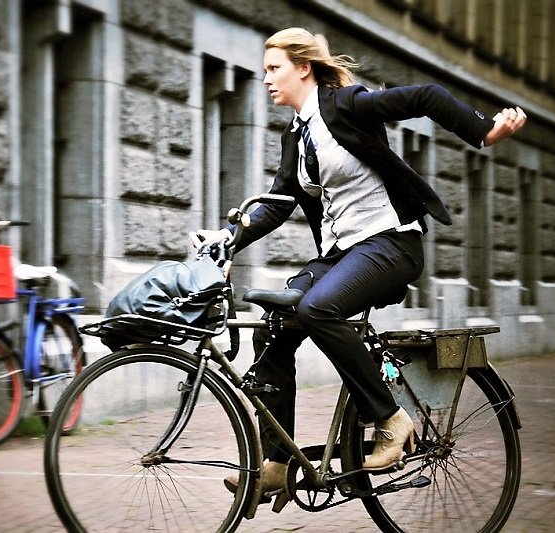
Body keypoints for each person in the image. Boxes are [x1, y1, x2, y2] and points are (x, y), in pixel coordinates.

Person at [195, 27, 527, 512]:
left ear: (303, 68)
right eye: (265, 70)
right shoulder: (297, 133)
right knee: (272, 326)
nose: (266, 79)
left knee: (318, 307)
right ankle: (277, 464)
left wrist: (484, 130)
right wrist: (227, 239)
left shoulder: (347, 104)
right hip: (341, 253)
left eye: (274, 69)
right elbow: (278, 202)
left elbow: (429, 96)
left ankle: (391, 420)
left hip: (391, 244)